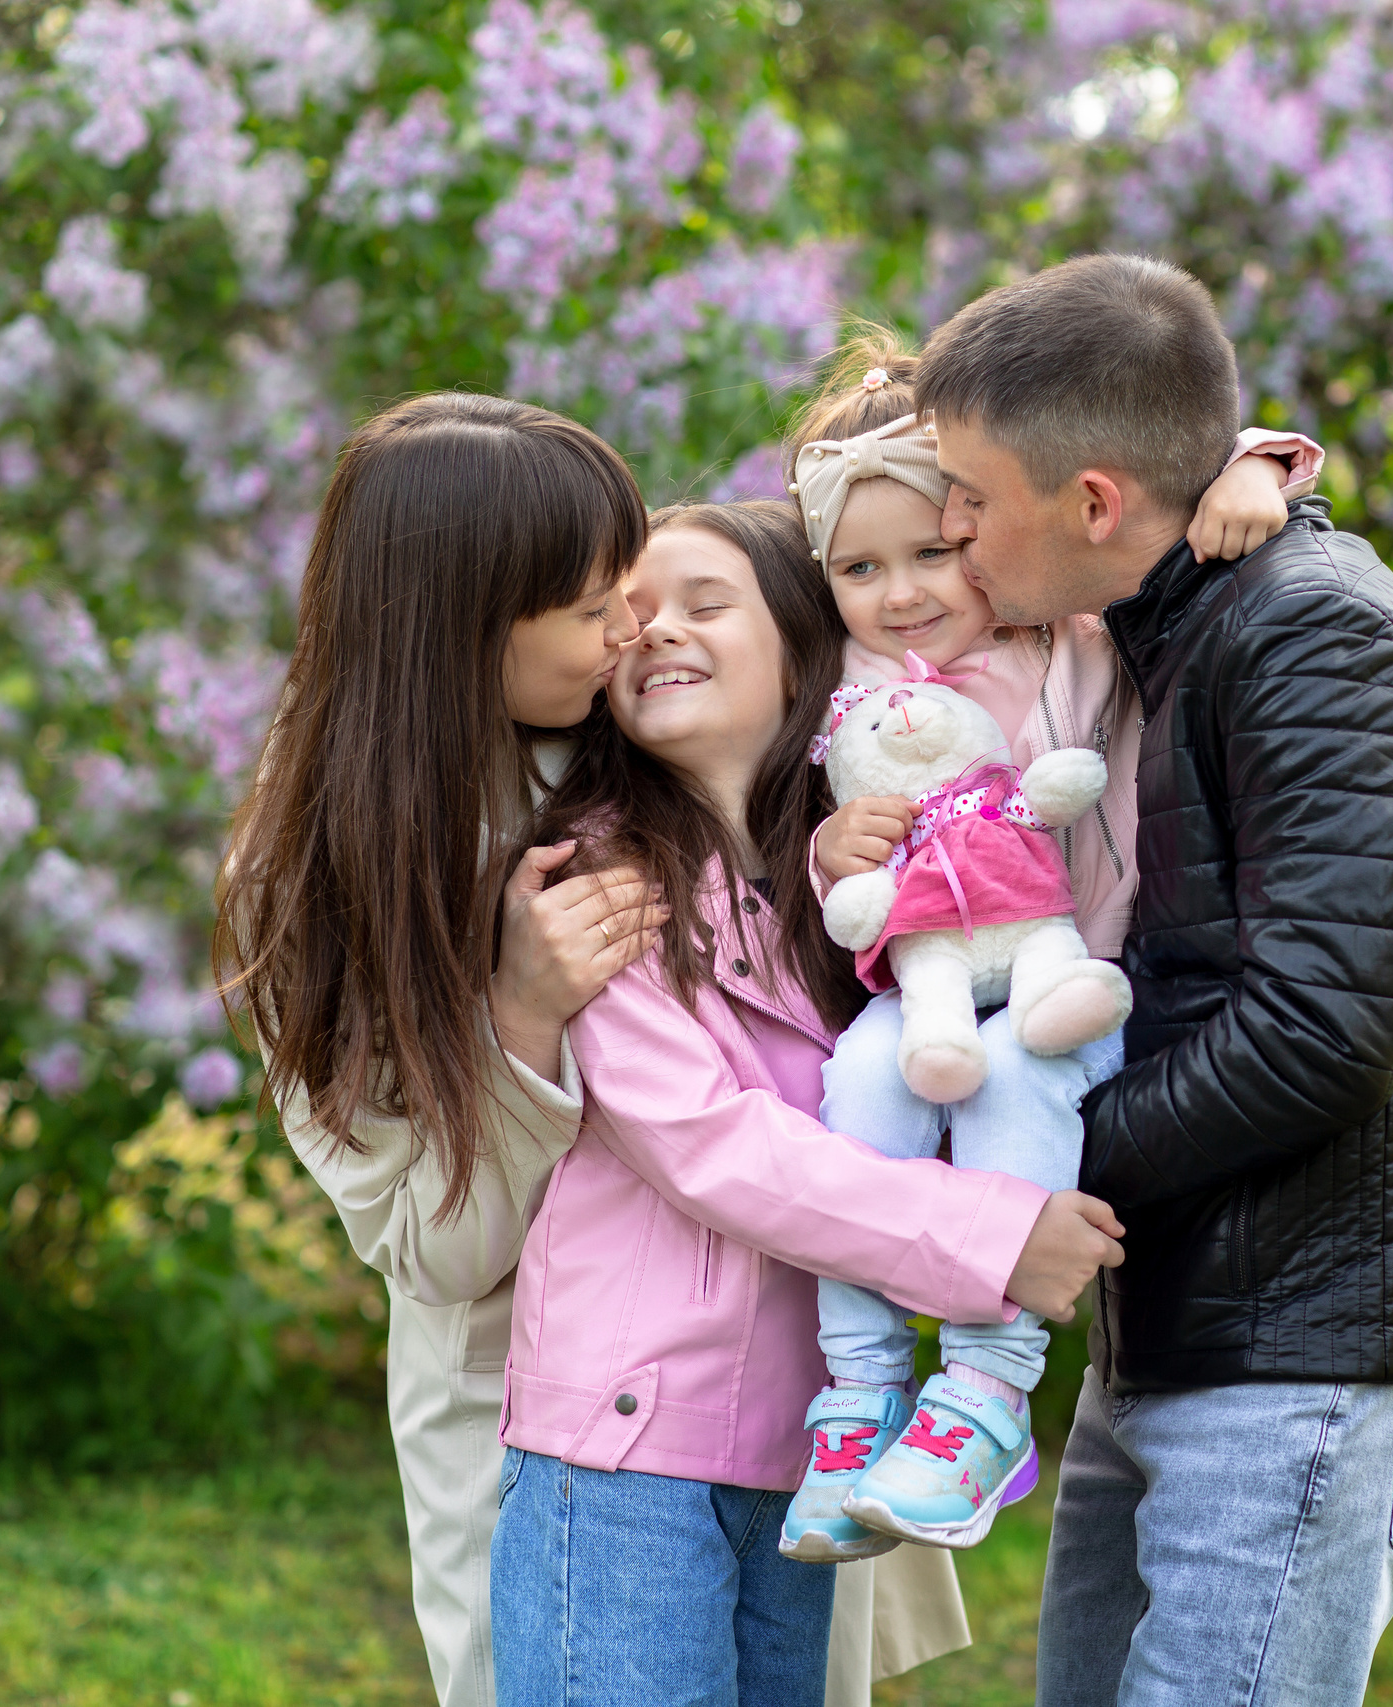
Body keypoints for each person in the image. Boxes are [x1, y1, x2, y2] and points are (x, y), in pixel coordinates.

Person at [212, 396, 973, 1707]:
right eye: (590, 606)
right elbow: (433, 1248)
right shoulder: (327, 877)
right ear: (468, 630)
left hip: (769, 1382)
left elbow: (918, 619)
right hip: (550, 1415)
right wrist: (519, 1020)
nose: (632, 627)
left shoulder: (645, 748)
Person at [915, 256, 1393, 1706]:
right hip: (1190, 1323)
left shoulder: (1317, 637)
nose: (947, 528)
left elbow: (1317, 1033)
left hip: (1307, 1354)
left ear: (1095, 502)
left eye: (970, 497)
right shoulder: (1167, 626)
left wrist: (1031, 1170)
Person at [490, 500, 1129, 1707]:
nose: (652, 629)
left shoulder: (864, 888)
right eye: (632, 612)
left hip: (806, 1453)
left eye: (704, 603)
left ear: (802, 647)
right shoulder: (601, 879)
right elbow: (711, 1147)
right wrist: (993, 1236)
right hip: (627, 1448)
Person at [769, 333, 1325, 1563]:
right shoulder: (843, 678)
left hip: (1065, 976)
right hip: (919, 981)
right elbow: (832, 852)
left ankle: (984, 1393)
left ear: (980, 525)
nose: (901, 593)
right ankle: (859, 1397)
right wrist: (832, 855)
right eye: (860, 567)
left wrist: (1256, 468)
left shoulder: (1062, 632)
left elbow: (1130, 477)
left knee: (1020, 1077)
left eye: (932, 550)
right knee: (855, 1085)